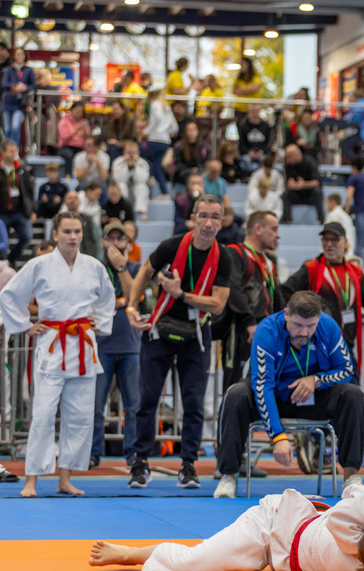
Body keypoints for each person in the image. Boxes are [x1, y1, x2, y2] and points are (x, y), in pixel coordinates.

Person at [0, 212, 115, 496]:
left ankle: (65, 479)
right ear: (55, 235)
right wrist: (25, 326)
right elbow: (9, 295)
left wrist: (99, 323)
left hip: (83, 345)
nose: (73, 237)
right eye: (67, 232)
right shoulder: (39, 265)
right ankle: (31, 479)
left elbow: (107, 297)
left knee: (79, 416)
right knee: (42, 415)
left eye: (77, 231)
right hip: (52, 342)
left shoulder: (93, 266)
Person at [213, 291, 364, 498]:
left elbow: (346, 370)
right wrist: (278, 436)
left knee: (353, 395)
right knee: (236, 394)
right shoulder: (266, 331)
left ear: (318, 318)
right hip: (274, 394)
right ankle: (227, 476)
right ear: (286, 314)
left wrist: (316, 380)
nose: (304, 332)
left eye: (310, 326)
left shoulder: (328, 327)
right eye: (298, 325)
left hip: (311, 396)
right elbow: (262, 386)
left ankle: (351, 478)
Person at [125, 195, 232, 490]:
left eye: (215, 217)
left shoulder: (224, 256)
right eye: (203, 216)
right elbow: (144, 272)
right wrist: (132, 307)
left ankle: (188, 466)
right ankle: (140, 462)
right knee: (147, 400)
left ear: (221, 222)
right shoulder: (172, 246)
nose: (208, 223)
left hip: (195, 335)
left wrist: (180, 293)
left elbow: (219, 305)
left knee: (193, 403)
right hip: (159, 332)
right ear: (193, 218)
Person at [89, 494, 364, 571]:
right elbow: (351, 496)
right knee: (194, 563)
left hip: (286, 556)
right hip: (273, 523)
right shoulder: (348, 530)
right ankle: (130, 554)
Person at [280, 223, 364, 380]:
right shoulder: (312, 268)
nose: (329, 244)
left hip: (345, 347)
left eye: (334, 240)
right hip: (317, 349)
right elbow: (284, 291)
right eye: (325, 240)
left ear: (345, 243)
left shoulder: (355, 272)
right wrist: (302, 314)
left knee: (352, 397)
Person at [90, 221, 142, 469]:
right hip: (102, 346)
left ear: (127, 244)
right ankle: (93, 453)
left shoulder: (133, 267)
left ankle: (133, 454)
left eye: (120, 239)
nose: (114, 244)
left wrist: (121, 266)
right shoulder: (95, 269)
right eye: (110, 239)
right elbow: (93, 305)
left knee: (133, 406)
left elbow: (135, 296)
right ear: (102, 242)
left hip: (130, 346)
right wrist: (121, 302)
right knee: (96, 406)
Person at [216, 210, 283, 389]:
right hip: (241, 331)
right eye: (274, 229)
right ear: (258, 228)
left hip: (267, 330)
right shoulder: (235, 252)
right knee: (237, 387)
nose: (278, 235)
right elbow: (233, 289)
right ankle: (230, 417)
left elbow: (277, 298)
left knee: (265, 385)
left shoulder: (269, 261)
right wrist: (249, 322)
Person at [0, 139, 35, 263]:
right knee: (2, 241)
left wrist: (32, 211)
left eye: (15, 151)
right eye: (11, 151)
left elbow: (29, 191)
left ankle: (12, 259)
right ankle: (3, 263)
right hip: (2, 213)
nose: (13, 154)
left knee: (27, 236)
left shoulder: (21, 170)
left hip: (19, 211)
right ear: (2, 152)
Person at [141, 89, 175, 194]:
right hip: (165, 141)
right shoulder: (167, 106)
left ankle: (149, 176)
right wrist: (167, 131)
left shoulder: (155, 104)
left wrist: (147, 131)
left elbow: (157, 118)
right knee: (157, 166)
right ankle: (164, 192)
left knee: (138, 153)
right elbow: (174, 127)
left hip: (155, 139)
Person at [281, 143, 324, 224]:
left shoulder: (310, 162)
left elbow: (316, 182)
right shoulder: (288, 165)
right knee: (286, 194)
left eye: (289, 157)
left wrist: (303, 184)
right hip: (297, 194)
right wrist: (291, 185)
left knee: (317, 192)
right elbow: (287, 184)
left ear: (296, 155)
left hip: (310, 195)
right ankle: (287, 221)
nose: (287, 160)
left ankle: (321, 220)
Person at [1, 47, 35, 147]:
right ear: (14, 56)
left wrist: (25, 87)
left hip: (20, 103)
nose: (20, 56)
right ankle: (6, 151)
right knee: (7, 129)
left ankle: (14, 151)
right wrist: (14, 86)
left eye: (22, 54)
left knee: (15, 127)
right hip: (7, 102)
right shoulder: (9, 70)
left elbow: (33, 85)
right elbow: (4, 84)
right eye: (18, 54)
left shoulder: (28, 70)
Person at [110, 140, 150, 221]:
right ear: (124, 152)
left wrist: (134, 166)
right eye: (129, 152)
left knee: (141, 186)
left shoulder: (143, 163)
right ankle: (123, 210)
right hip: (124, 188)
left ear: (138, 152)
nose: (131, 155)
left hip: (136, 189)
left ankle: (141, 213)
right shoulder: (117, 162)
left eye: (134, 152)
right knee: (121, 185)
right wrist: (127, 166)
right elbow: (118, 178)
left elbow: (142, 179)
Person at [340, 90, 364, 161]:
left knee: (344, 144)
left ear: (354, 97)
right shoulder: (363, 103)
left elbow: (354, 118)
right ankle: (355, 162)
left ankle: (355, 163)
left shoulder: (360, 104)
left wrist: (349, 111)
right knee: (350, 143)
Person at [172, 120, 209, 187]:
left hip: (200, 174)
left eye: (194, 129)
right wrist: (190, 171)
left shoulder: (204, 146)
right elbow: (176, 164)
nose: (192, 132)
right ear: (185, 132)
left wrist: (199, 170)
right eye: (190, 130)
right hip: (183, 176)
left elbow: (207, 162)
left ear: (198, 131)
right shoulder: (179, 146)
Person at [58, 102, 90, 177]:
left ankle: (80, 175)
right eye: (77, 110)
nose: (79, 113)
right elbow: (64, 138)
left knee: (83, 156)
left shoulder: (84, 122)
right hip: (66, 146)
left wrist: (85, 131)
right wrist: (76, 130)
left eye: (81, 111)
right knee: (68, 155)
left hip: (80, 147)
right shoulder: (64, 121)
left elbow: (88, 139)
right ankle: (68, 174)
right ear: (72, 110)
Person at [237, 104, 272, 174]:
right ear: (249, 112)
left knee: (265, 160)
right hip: (248, 153)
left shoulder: (265, 126)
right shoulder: (243, 126)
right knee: (246, 161)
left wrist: (262, 151)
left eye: (256, 111)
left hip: (262, 153)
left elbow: (268, 143)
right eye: (252, 111)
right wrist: (249, 152)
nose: (254, 114)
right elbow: (241, 144)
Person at [232, 57, 263, 121]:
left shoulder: (255, 76)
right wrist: (248, 90)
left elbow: (255, 88)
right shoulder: (238, 78)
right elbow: (234, 91)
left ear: (248, 65)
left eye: (243, 64)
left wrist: (241, 89)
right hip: (239, 108)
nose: (241, 66)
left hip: (252, 110)